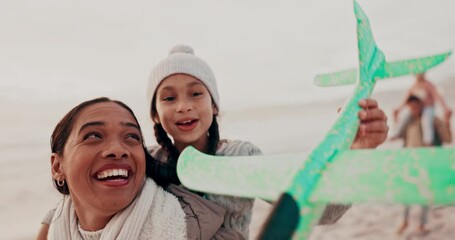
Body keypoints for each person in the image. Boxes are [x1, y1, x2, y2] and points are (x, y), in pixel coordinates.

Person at [145, 44, 390, 238]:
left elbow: (320, 211)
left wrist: (354, 151)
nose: (183, 106)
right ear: (155, 113)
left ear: (214, 105)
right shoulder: (145, 162)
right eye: (168, 98)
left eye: (196, 93)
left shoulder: (239, 156)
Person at [37, 97, 242, 240]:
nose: (118, 150)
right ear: (57, 167)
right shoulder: (54, 228)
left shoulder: (200, 231)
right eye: (93, 136)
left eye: (131, 137)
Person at [394, 95, 452, 235]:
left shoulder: (432, 120)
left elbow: (448, 139)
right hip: (410, 163)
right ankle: (404, 221)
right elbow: (398, 136)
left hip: (427, 165)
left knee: (424, 195)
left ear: (421, 105)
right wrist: (395, 116)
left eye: (416, 107)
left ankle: (421, 224)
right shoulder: (408, 121)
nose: (414, 110)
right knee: (406, 194)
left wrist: (447, 120)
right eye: (411, 108)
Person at [392, 72, 452, 146]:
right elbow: (405, 100)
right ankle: (396, 134)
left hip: (428, 109)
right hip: (413, 155)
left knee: (426, 121)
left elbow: (438, 97)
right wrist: (398, 111)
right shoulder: (414, 87)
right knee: (404, 118)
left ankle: (428, 141)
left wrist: (445, 110)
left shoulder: (428, 85)